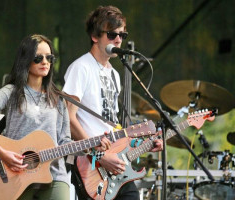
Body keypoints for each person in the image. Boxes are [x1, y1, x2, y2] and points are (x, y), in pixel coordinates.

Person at [0, 34, 110, 200]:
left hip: (55, 175)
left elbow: (64, 142)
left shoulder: (58, 98)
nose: (45, 62)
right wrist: (1, 152)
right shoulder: (11, 92)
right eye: (38, 58)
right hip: (16, 174)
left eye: (49, 57)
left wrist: (90, 145)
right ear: (26, 60)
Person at [63, 6, 163, 199]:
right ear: (95, 36)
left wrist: (145, 142)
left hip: (115, 160)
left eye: (122, 35)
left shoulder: (114, 75)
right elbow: (69, 118)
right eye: (111, 34)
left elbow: (112, 124)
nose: (118, 40)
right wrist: (99, 155)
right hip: (91, 164)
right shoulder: (81, 68)